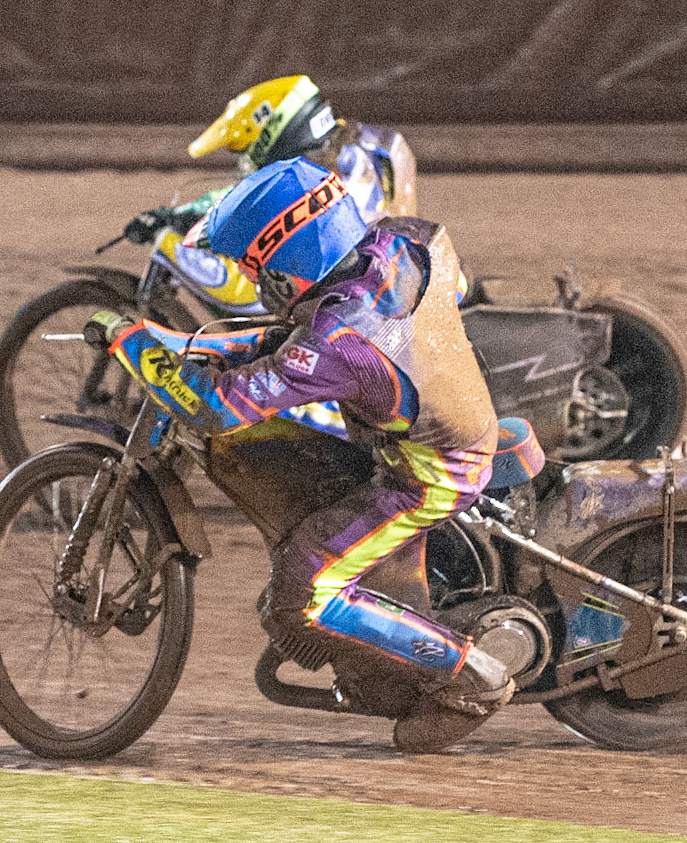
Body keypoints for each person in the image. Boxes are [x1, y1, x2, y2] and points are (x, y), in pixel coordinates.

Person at [86, 157, 513, 752]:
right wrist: (207, 342)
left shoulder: (337, 343)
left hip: (431, 474)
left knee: (303, 589)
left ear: (284, 270)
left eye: (255, 271)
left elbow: (215, 408)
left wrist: (130, 341)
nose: (256, 285)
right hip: (452, 408)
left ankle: (471, 678)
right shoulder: (406, 240)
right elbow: (311, 329)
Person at [120, 74, 416, 243]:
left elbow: (247, 203)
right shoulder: (360, 143)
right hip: (394, 267)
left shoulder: (315, 172)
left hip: (360, 300)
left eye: (248, 149)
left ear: (269, 132)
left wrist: (179, 215)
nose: (247, 160)